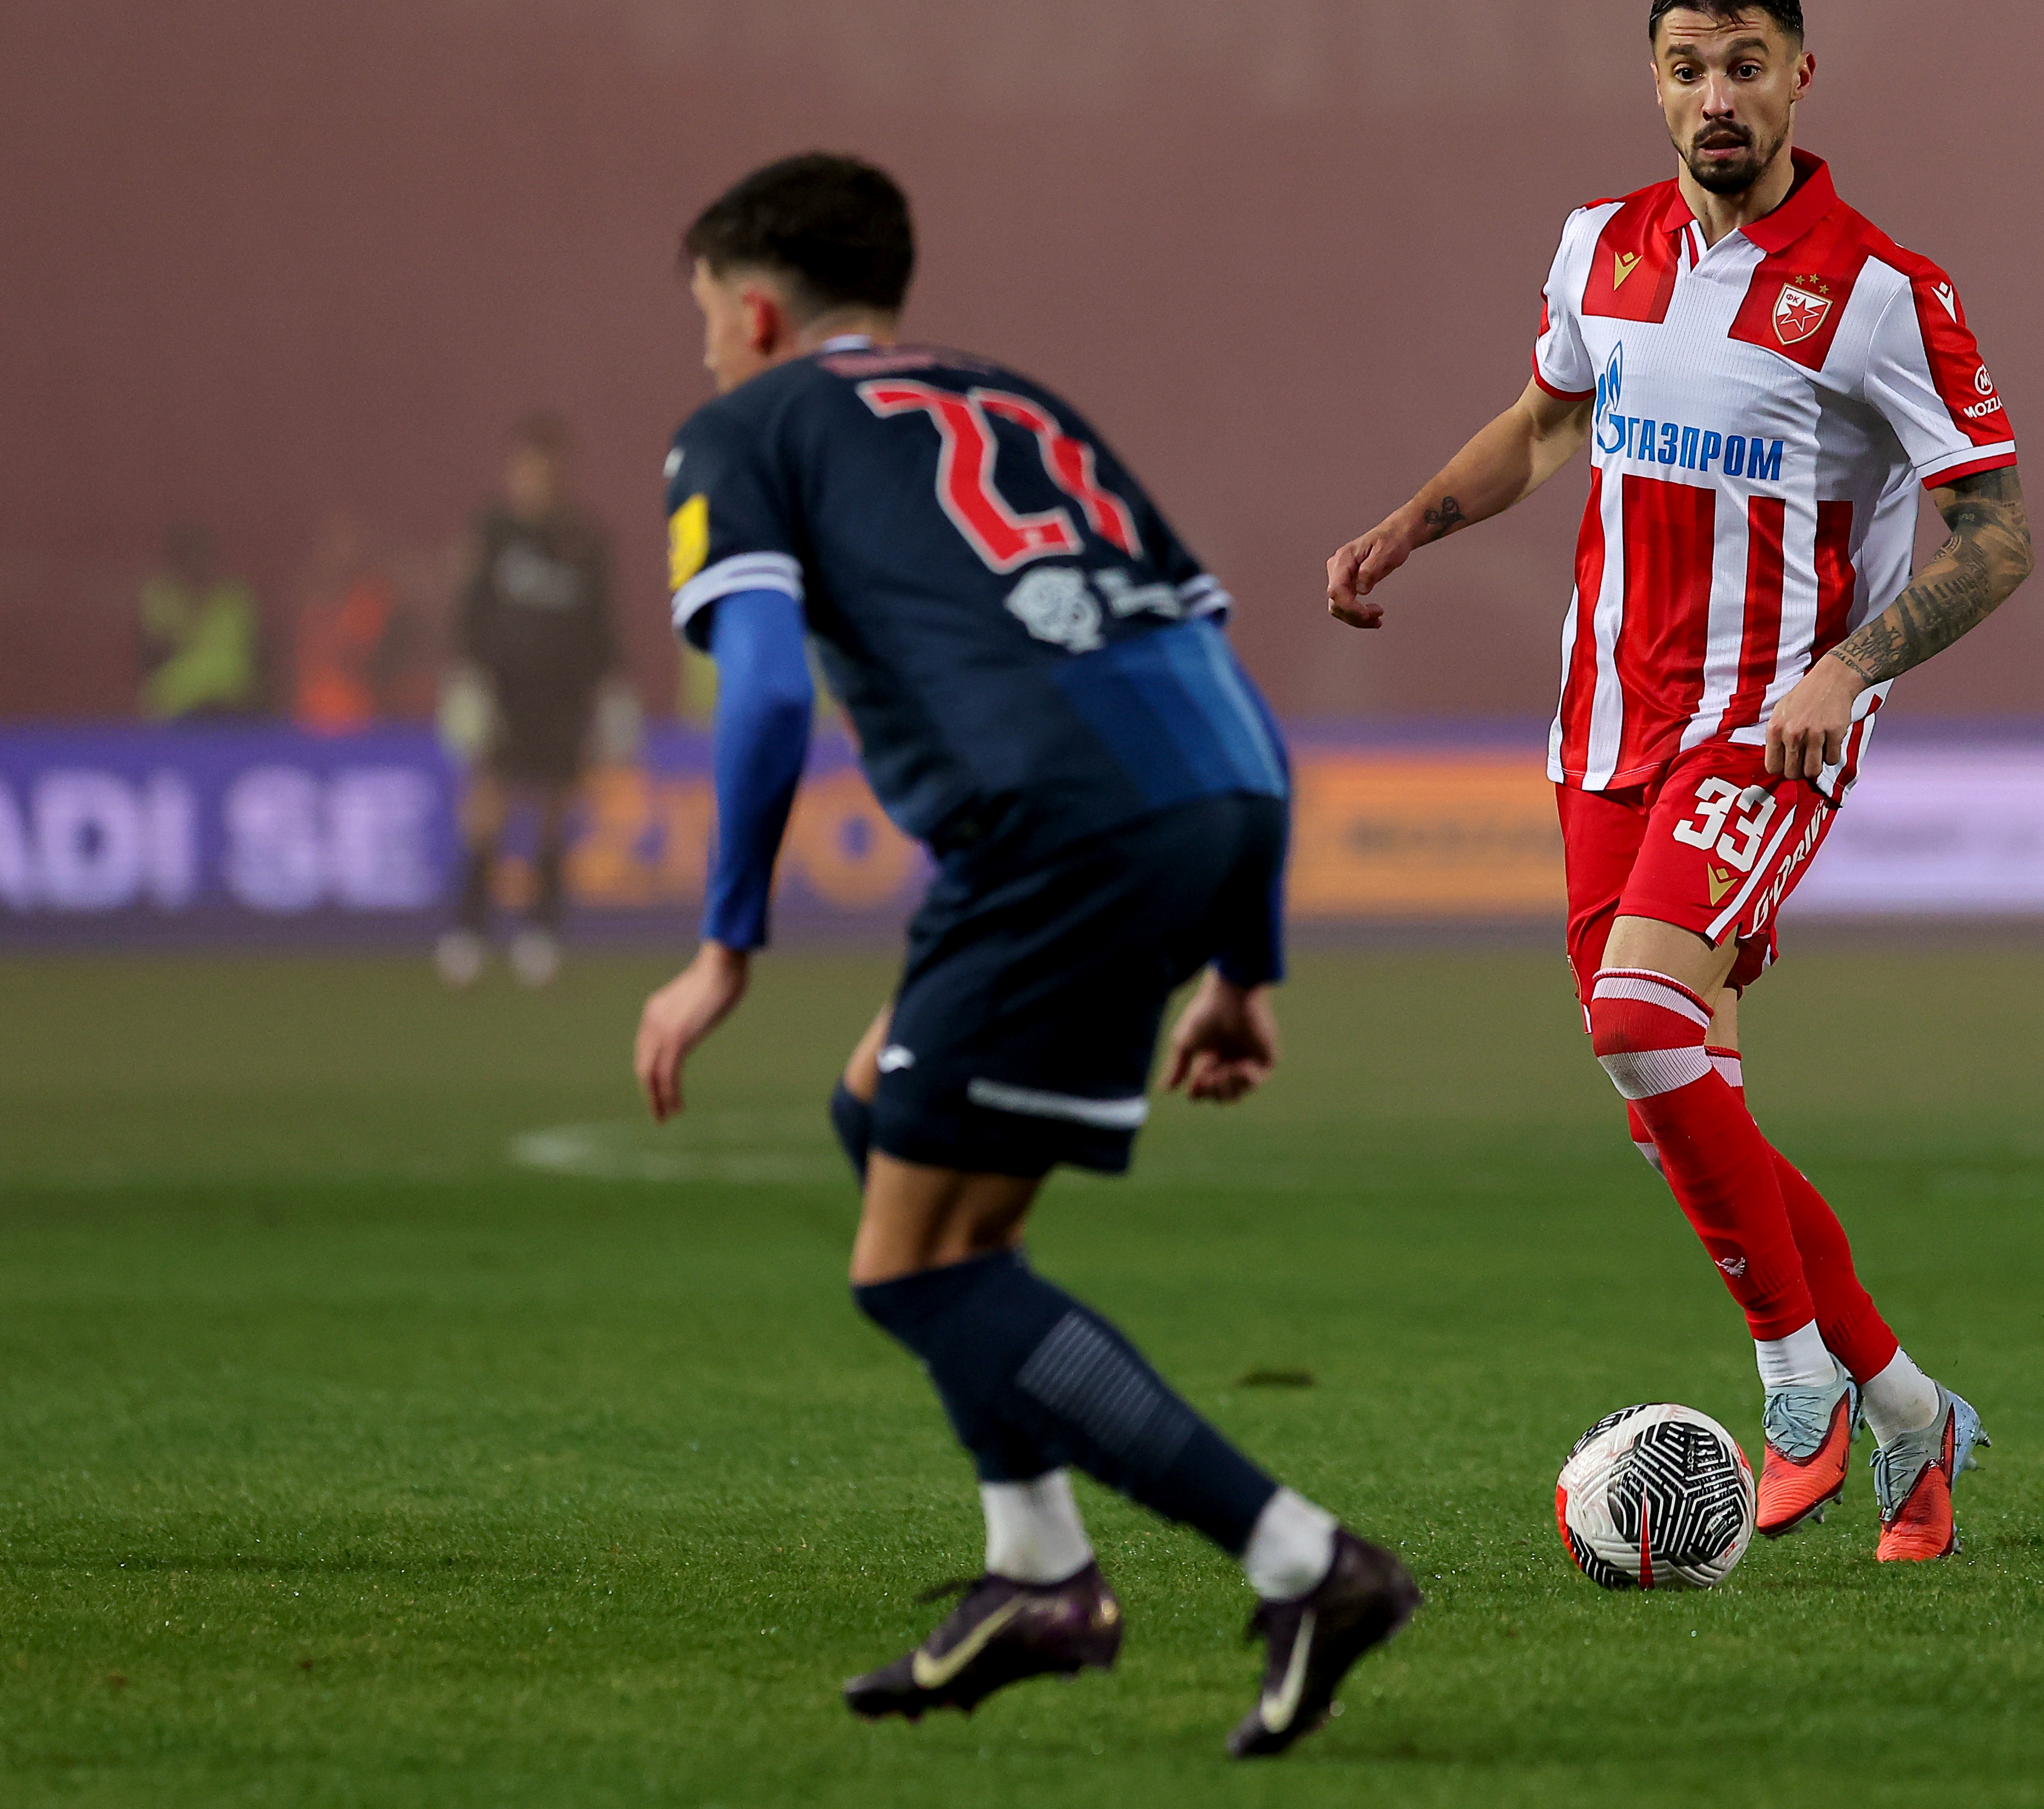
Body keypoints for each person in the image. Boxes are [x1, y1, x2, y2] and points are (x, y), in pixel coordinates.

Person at [628, 153, 1416, 1754]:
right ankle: (1039, 1573)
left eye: (706, 314)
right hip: (1210, 798)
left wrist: (723, 949)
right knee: (878, 1116)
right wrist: (1244, 965)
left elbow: (765, 691)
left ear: (756, 310)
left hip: (1052, 831)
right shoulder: (1019, 402)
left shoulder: (744, 428)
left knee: (917, 1269)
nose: (706, 345)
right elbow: (1212, 667)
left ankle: (1300, 1559)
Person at [1324, 0, 2031, 1563]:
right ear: (1654, 82)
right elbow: (1545, 424)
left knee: (1640, 1018)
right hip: (1602, 727)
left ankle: (1797, 1380)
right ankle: (1908, 1412)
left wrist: (1846, 670)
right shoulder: (1602, 245)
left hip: (1765, 725)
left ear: (1800, 79)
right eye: (1687, 68)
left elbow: (1997, 538)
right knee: (1669, 1098)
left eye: (1746, 65)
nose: (1717, 97)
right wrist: (1412, 523)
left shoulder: (1881, 292)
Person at [436, 416, 630, 988]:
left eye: (546, 470)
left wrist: (615, 690)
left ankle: (540, 930)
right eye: (526, 470)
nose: (536, 481)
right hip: (503, 690)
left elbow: (601, 624)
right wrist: (466, 678)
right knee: (487, 806)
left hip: (563, 694)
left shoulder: (585, 540)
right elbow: (469, 609)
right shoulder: (493, 532)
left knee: (553, 812)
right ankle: (469, 928)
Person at [291, 510, 410, 736]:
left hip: (357, 716)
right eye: (330, 545)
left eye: (345, 545)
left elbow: (360, 654)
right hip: (308, 716)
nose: (337, 553)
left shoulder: (371, 597)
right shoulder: (309, 598)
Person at [139, 523, 260, 720]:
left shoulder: (234, 597)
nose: (196, 564)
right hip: (177, 695)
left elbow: (251, 653)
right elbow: (154, 652)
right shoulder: (161, 595)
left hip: (231, 693)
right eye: (189, 557)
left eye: (201, 557)